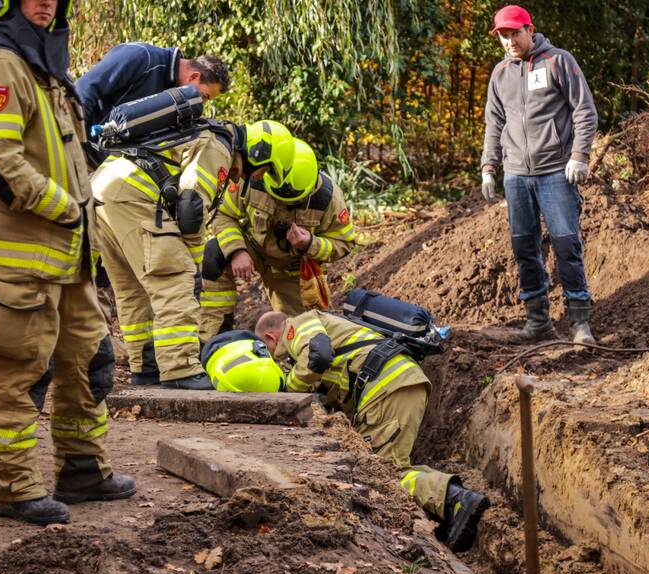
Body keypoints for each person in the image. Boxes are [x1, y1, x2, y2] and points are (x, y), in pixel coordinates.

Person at [0, 0, 135, 525]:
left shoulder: (44, 67)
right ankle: (11, 488)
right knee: (18, 374)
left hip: (69, 256)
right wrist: (62, 206)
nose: (47, 3)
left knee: (87, 363)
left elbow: (61, 152)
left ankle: (82, 470)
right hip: (24, 260)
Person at [254, 310, 489, 552]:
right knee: (391, 465)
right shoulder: (319, 331)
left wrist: (286, 391)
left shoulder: (298, 325)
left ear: (271, 338)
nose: (270, 357)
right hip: (395, 382)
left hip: (386, 386)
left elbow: (319, 355)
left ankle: (454, 500)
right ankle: (443, 515)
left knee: (380, 474)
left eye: (266, 350)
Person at [91, 118, 294, 389]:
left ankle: (146, 368)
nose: (258, 177)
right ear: (258, 153)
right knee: (175, 281)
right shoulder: (219, 149)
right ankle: (180, 370)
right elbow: (191, 204)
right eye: (265, 170)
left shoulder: (204, 135)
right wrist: (194, 262)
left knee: (132, 289)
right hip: (132, 197)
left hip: (103, 193)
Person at [480, 5, 598, 344]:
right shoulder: (500, 74)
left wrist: (579, 156)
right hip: (516, 176)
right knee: (524, 248)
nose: (510, 41)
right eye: (504, 35)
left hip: (556, 173)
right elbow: (494, 124)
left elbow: (584, 110)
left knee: (566, 245)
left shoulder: (558, 62)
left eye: (515, 33)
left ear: (530, 30)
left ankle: (579, 324)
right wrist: (489, 168)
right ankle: (538, 322)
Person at [199, 139, 356, 341]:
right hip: (253, 250)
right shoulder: (255, 178)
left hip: (291, 271)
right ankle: (214, 339)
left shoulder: (328, 198)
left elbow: (344, 243)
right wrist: (238, 251)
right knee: (214, 253)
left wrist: (310, 243)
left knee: (302, 337)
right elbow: (224, 213)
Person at [76, 43, 229, 130]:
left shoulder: (175, 100)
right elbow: (83, 90)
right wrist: (78, 145)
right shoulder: (141, 57)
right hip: (78, 155)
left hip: (105, 173)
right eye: (204, 96)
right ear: (194, 76)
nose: (201, 103)